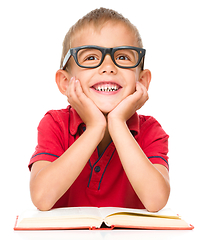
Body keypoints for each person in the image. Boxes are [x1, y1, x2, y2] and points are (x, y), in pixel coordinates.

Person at [29, 8, 170, 212]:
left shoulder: (151, 131)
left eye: (122, 57)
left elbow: (156, 200)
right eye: (91, 58)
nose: (108, 67)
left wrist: (118, 123)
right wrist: (95, 127)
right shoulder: (55, 124)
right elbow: (41, 198)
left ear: (142, 81)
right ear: (65, 82)